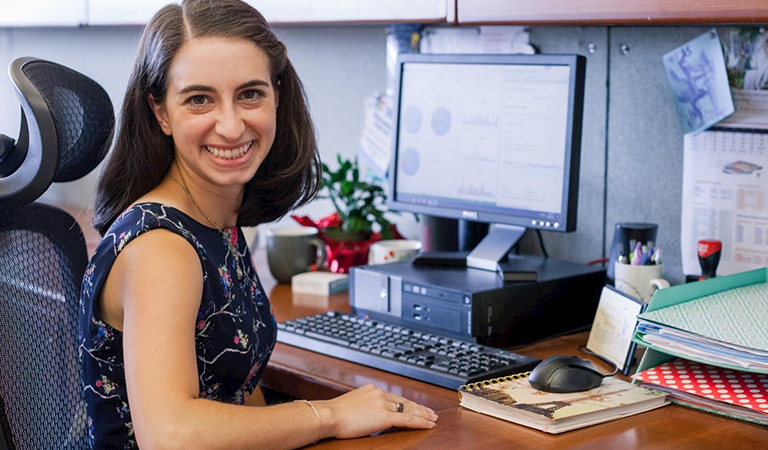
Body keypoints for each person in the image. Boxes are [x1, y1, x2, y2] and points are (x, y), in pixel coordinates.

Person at [79, 0, 438, 448]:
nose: (231, 126)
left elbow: (232, 395)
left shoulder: (213, 218)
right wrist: (330, 415)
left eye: (250, 94)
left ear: (277, 95)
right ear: (161, 112)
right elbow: (169, 436)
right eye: (199, 99)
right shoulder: (161, 248)